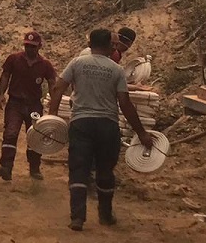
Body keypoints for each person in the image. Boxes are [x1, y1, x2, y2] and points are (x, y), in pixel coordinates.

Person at [49, 28, 155, 231]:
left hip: (81, 124)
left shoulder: (77, 63)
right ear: (109, 47)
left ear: (90, 45)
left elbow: (58, 88)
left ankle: (77, 218)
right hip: (107, 126)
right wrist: (141, 132)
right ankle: (105, 216)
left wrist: (52, 117)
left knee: (78, 170)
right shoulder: (115, 70)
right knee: (105, 171)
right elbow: (125, 103)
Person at [0, 31, 56, 181]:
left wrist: (54, 105)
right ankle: (6, 167)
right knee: (10, 133)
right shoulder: (14, 59)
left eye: (33, 46)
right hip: (15, 102)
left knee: (35, 137)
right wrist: (1, 94)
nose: (30, 49)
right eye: (27, 46)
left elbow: (53, 83)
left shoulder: (45, 65)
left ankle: (34, 168)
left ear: (39, 46)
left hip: (34, 105)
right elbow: (5, 75)